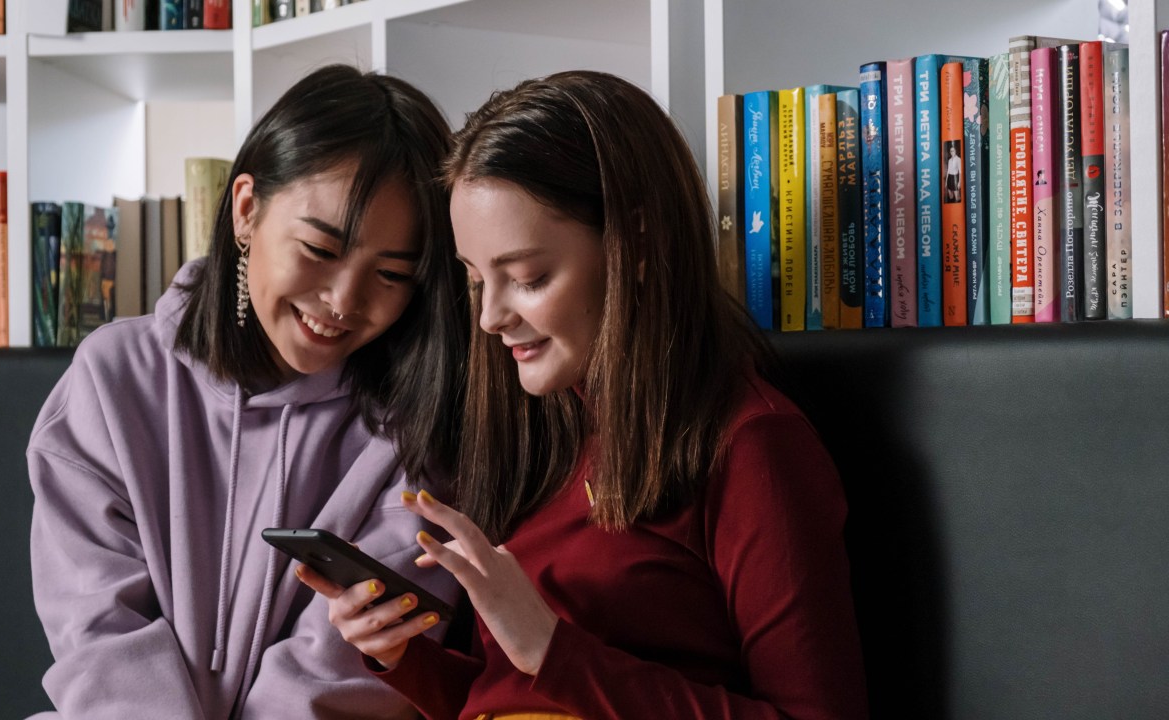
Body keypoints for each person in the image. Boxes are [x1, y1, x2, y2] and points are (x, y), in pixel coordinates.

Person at [299, 71, 869, 719]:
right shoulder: (540, 433)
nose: (490, 319)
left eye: (529, 277)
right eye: (477, 280)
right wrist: (405, 658)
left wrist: (550, 649)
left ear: (641, 246)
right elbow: (518, 694)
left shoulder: (750, 446)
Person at [27, 64, 468, 719]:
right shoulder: (111, 382)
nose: (344, 301)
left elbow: (348, 677)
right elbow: (99, 637)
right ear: (245, 209)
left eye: (391, 276)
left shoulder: (419, 426)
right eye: (319, 249)